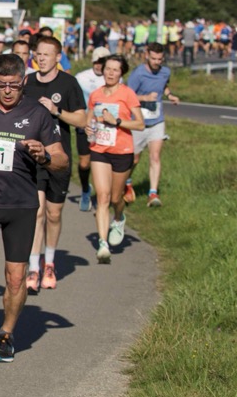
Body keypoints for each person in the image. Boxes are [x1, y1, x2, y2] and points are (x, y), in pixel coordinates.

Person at [0, 54, 68, 364]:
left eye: (13, 85)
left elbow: (62, 160)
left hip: (21, 205)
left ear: (24, 81)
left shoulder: (38, 113)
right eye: (1, 85)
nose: (7, 91)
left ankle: (7, 333)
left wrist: (44, 156)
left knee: (14, 276)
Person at [22, 35, 87, 293]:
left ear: (58, 57)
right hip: (33, 157)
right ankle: (33, 266)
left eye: (47, 54)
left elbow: (82, 120)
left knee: (53, 213)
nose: (41, 58)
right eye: (38, 54)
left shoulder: (69, 84)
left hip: (58, 157)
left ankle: (49, 262)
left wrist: (56, 111)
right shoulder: (27, 82)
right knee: (37, 212)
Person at [86, 55, 145, 263]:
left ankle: (119, 218)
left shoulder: (127, 94)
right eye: (108, 69)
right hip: (99, 150)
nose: (110, 73)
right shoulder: (95, 95)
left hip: (122, 150)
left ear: (121, 73)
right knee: (102, 197)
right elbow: (89, 119)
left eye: (115, 70)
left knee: (115, 198)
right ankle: (103, 244)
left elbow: (140, 124)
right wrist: (88, 128)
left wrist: (117, 121)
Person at [127, 43, 179, 207]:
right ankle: (127, 182)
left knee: (155, 156)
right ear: (147, 56)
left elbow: (163, 85)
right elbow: (127, 96)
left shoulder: (165, 72)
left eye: (159, 59)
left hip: (157, 120)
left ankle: (153, 193)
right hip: (138, 122)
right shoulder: (138, 74)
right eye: (153, 58)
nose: (156, 62)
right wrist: (145, 98)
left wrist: (169, 95)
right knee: (134, 159)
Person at [73, 47, 111, 211]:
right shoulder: (81, 77)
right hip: (85, 124)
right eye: (96, 61)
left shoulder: (112, 78)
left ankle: (103, 196)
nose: (98, 65)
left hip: (104, 125)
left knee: (102, 161)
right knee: (84, 163)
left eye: (102, 62)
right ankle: (85, 189)